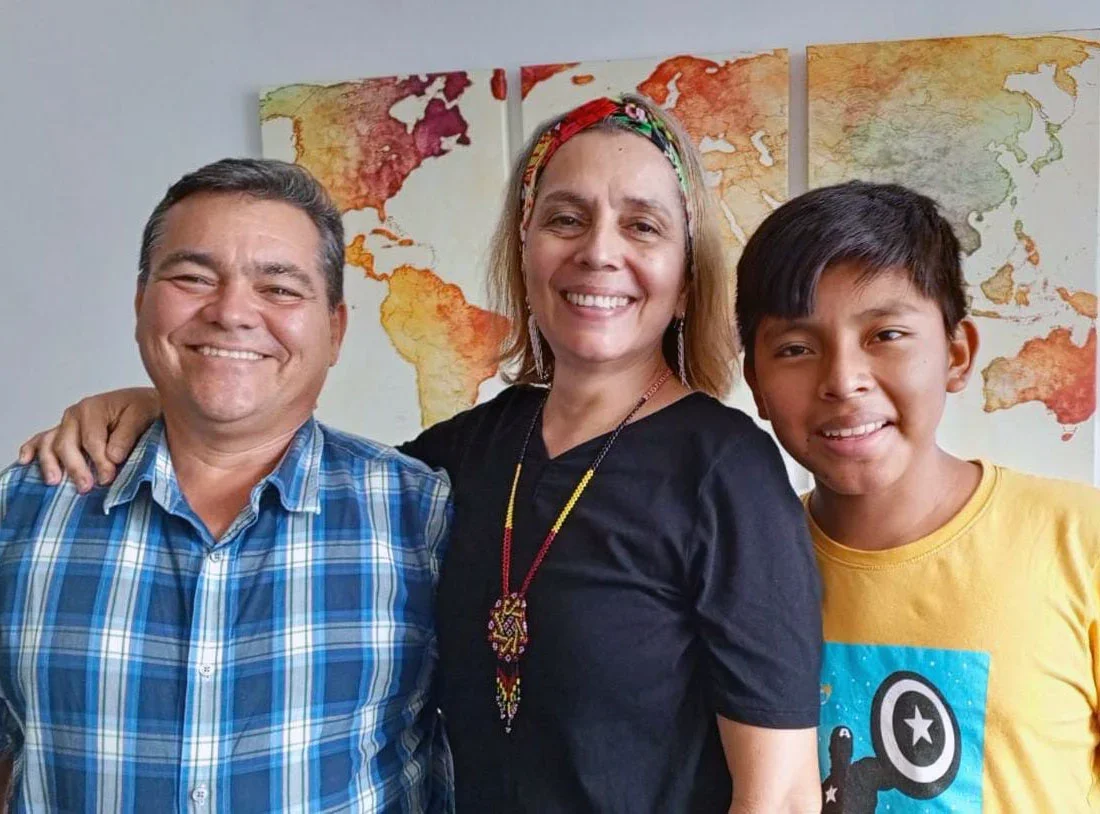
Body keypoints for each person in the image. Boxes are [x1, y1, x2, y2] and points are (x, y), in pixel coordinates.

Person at [18, 95, 824, 812]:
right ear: (525, 253)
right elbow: (277, 447)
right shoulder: (457, 461)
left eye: (642, 225)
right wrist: (161, 404)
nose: (598, 252)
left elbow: (780, 796)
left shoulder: (728, 474)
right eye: (565, 219)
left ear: (685, 279)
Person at [0, 158, 452, 812]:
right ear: (140, 305)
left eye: (280, 288)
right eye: (193, 278)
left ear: (335, 330)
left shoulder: (424, 517)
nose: (232, 311)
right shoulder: (22, 510)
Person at [736, 181, 1100, 812]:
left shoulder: (1079, 540)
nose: (842, 381)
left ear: (957, 354)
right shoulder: (741, 573)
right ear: (757, 386)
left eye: (885, 335)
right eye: (796, 348)